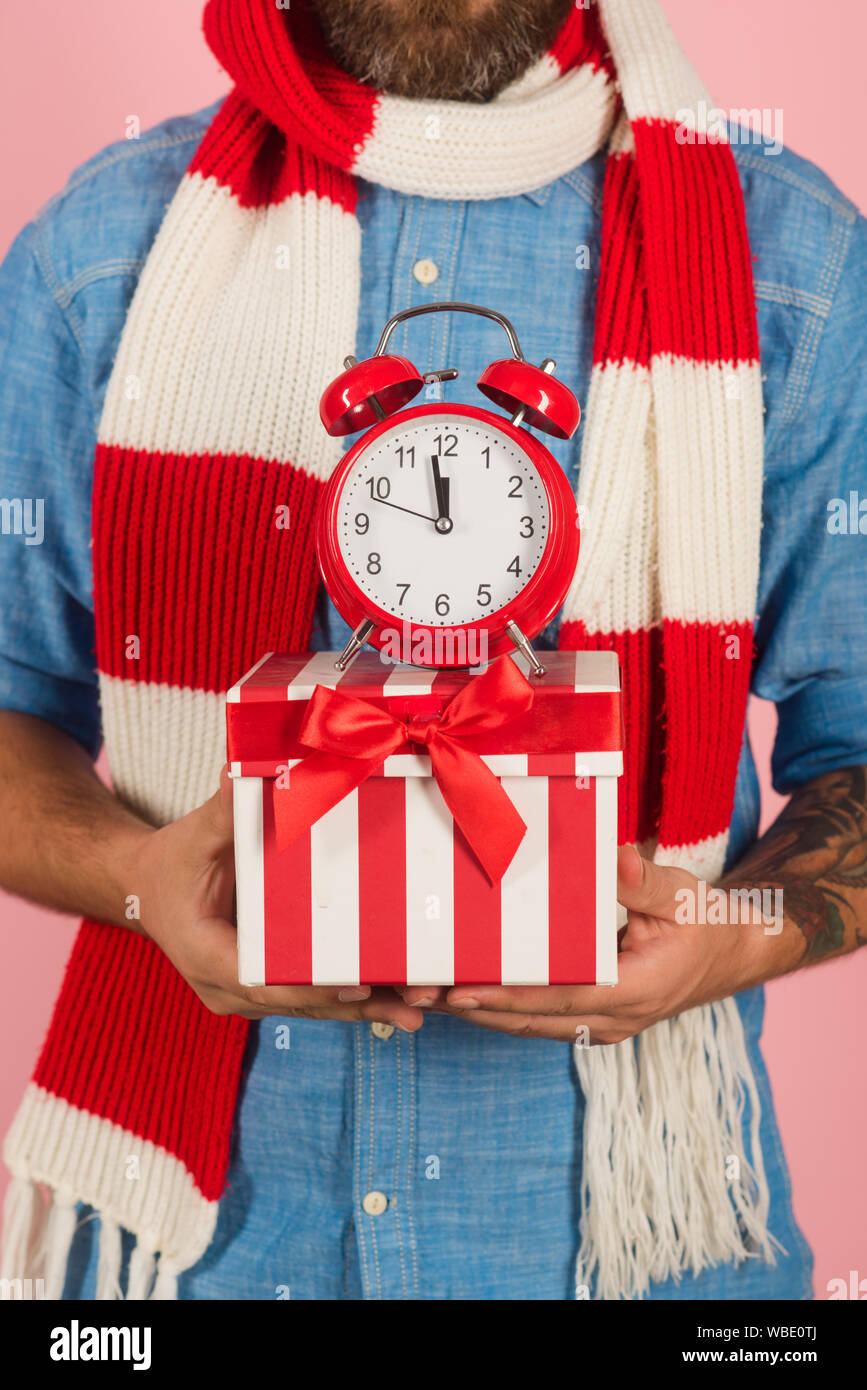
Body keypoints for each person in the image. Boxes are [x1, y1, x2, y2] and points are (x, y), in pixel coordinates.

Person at [0, 0, 865, 1302]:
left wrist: (736, 932)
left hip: (636, 1248)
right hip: (199, 1251)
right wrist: (138, 878)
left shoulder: (789, 256)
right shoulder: (100, 251)